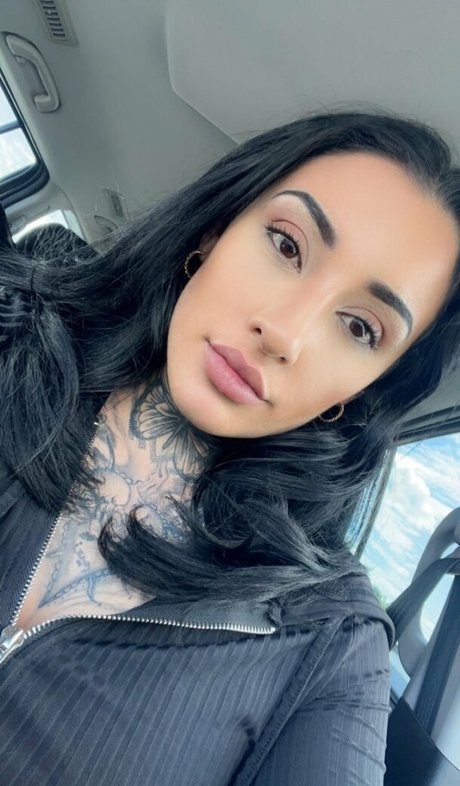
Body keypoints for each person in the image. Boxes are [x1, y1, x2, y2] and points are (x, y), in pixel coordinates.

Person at [0, 110, 459, 785]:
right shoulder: (13, 329)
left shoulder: (327, 642)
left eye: (361, 328)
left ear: (366, 388)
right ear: (215, 231)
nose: (285, 332)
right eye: (286, 244)